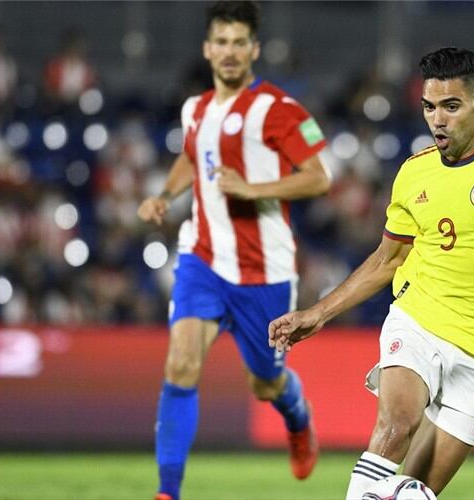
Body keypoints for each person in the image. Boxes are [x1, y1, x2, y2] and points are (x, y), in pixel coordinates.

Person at [269, 47, 474, 498]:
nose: (437, 120)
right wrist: (317, 314)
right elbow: (388, 259)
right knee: (394, 426)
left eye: (451, 106)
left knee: (415, 490)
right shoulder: (413, 173)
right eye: (429, 107)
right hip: (418, 321)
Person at [136, 3, 331, 499]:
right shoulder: (195, 108)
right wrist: (164, 195)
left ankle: (298, 416)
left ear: (254, 50)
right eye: (220, 42)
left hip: (263, 270)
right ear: (207, 49)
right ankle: (167, 492)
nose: (228, 51)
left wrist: (253, 188)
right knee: (180, 363)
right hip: (201, 257)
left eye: (238, 42)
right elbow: (191, 157)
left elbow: (318, 177)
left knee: (264, 384)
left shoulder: (279, 109)